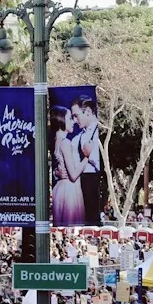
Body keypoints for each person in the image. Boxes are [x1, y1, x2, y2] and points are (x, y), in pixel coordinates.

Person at [50, 105, 86, 227]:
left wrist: (56, 172)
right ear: (61, 121)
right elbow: (74, 175)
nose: (74, 121)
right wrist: (87, 156)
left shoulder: (57, 140)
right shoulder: (65, 142)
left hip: (61, 190)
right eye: (70, 118)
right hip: (70, 192)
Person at [72, 94, 103, 223]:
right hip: (81, 183)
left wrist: (89, 156)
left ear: (88, 112)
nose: (74, 120)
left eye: (76, 115)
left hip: (96, 181)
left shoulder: (100, 131)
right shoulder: (77, 138)